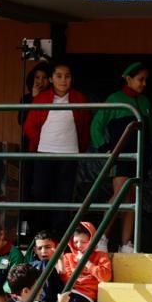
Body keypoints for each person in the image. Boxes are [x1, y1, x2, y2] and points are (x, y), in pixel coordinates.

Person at [22, 59, 92, 235]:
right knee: (39, 192)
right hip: (43, 154)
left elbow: (85, 128)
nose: (63, 80)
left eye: (67, 76)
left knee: (64, 195)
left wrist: (79, 150)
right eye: (59, 76)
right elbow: (29, 126)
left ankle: (60, 236)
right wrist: (42, 144)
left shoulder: (80, 99)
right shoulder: (41, 99)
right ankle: (39, 235)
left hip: (69, 155)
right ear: (51, 79)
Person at [89, 61, 152, 253]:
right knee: (119, 196)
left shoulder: (145, 102)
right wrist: (104, 148)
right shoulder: (115, 98)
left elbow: (150, 130)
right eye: (140, 79)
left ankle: (126, 244)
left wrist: (150, 152)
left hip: (139, 155)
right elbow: (96, 126)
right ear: (128, 79)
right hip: (122, 155)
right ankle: (102, 238)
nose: (143, 84)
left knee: (132, 198)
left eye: (145, 80)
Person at [56, 221, 113, 302]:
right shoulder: (68, 257)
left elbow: (106, 276)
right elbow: (67, 279)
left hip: (86, 296)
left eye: (83, 242)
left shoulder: (101, 256)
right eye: (75, 241)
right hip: (70, 292)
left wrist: (86, 263)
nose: (78, 245)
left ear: (92, 241)